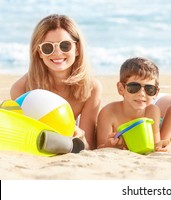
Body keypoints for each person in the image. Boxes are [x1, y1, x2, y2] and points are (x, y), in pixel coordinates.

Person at [10, 14, 102, 150]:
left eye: (65, 45)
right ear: (39, 52)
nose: (57, 53)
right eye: (48, 47)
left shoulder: (91, 88)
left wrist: (80, 137)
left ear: (77, 49)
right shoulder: (21, 88)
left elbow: (89, 146)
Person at [96, 57, 164, 151]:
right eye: (134, 87)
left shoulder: (152, 111)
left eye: (149, 89)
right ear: (121, 88)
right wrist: (109, 145)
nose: (142, 93)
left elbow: (156, 145)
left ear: (156, 93)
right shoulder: (109, 113)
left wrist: (165, 147)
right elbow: (99, 148)